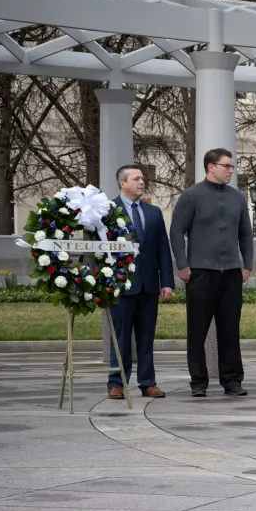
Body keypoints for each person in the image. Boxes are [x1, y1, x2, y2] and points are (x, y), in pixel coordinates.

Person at [169, 147, 254, 397]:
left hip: (230, 273)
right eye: (227, 166)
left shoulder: (237, 197)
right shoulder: (191, 196)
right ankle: (198, 382)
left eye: (231, 166)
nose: (231, 170)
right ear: (211, 167)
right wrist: (183, 265)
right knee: (197, 330)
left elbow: (246, 234)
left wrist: (246, 265)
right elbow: (176, 231)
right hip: (200, 273)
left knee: (230, 329)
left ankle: (232, 380)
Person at [107, 165, 174, 400]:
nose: (142, 182)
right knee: (121, 337)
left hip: (148, 285)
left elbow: (163, 250)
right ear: (122, 183)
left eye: (142, 178)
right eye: (136, 178)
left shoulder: (154, 213)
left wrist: (167, 282)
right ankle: (117, 383)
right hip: (121, 286)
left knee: (146, 337)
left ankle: (148, 383)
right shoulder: (108, 211)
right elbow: (101, 250)